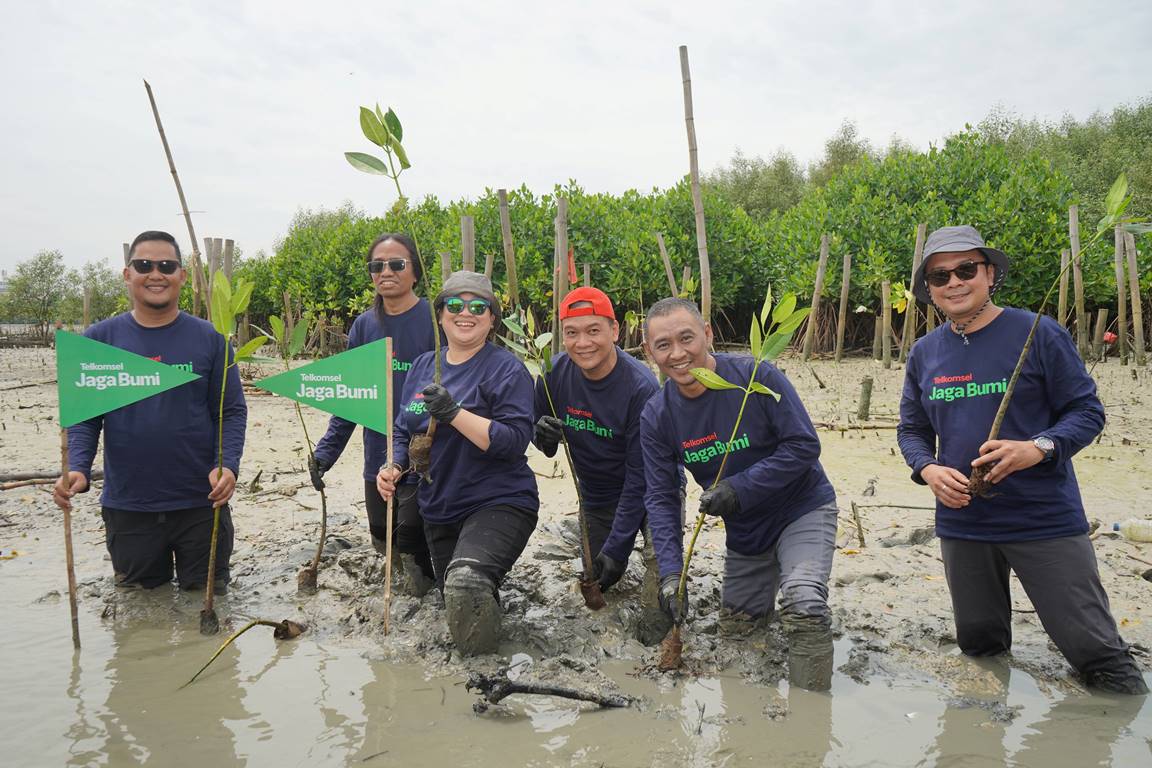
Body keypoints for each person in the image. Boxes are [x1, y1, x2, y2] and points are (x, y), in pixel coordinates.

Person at [897, 224, 1147, 695]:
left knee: (1099, 656)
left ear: (990, 274)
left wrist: (1038, 447)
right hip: (963, 524)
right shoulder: (924, 353)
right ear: (928, 291)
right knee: (980, 652)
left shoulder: (1038, 332)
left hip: (1043, 519)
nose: (954, 282)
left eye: (966, 269)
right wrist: (926, 469)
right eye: (939, 276)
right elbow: (911, 430)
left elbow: (1087, 412)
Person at [640, 298, 839, 690]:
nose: (678, 353)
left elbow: (803, 446)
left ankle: (811, 719)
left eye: (687, 338)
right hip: (748, 532)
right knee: (738, 634)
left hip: (801, 509)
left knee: (803, 602)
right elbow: (662, 498)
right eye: (663, 345)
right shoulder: (657, 415)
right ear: (650, 352)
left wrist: (739, 488)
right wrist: (670, 575)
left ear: (708, 335)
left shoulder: (755, 377)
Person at [53, 230, 247, 592]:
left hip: (202, 505)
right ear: (128, 275)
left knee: (207, 604)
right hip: (129, 507)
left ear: (182, 277)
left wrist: (229, 465)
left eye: (166, 266)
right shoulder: (100, 340)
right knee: (139, 615)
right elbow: (85, 415)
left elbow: (231, 412)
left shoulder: (211, 340)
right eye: (144, 265)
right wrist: (77, 467)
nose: (155, 274)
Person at [376, 271, 538, 655]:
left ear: (492, 319)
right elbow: (403, 428)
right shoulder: (422, 366)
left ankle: (484, 674)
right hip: (438, 505)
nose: (466, 313)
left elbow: (514, 442)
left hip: (498, 501)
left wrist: (454, 413)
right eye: (455, 305)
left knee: (466, 583)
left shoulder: (506, 369)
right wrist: (394, 466)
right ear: (441, 314)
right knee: (454, 596)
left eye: (479, 307)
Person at [532, 286, 668, 642]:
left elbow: (641, 478)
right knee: (600, 577)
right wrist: (543, 436)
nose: (583, 343)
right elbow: (542, 440)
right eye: (572, 333)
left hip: (654, 488)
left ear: (614, 331)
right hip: (597, 491)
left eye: (594, 330)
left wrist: (619, 545)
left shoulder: (641, 387)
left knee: (660, 577)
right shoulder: (553, 374)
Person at [311, 233, 437, 595]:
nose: (386, 272)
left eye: (396, 264)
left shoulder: (434, 322)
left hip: (425, 460)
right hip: (376, 456)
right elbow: (352, 397)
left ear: (415, 271)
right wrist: (325, 454)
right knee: (385, 545)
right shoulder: (364, 327)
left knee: (418, 549)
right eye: (377, 266)